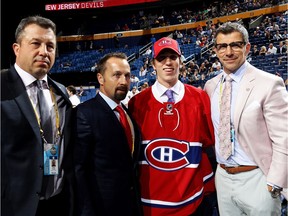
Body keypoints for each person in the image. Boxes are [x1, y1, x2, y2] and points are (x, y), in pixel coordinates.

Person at [204, 21, 288, 216]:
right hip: (223, 177)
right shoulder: (211, 86)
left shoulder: (269, 83)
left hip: (258, 178)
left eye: (235, 45)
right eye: (222, 46)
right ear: (216, 50)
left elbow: (284, 138)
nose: (229, 52)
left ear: (247, 47)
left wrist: (275, 182)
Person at [128, 37, 216, 216]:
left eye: (172, 57)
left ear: (180, 61)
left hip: (193, 201)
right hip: (150, 201)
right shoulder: (137, 102)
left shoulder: (200, 97)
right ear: (153, 64)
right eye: (162, 58)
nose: (168, 62)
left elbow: (209, 145)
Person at [1, 15, 75, 216]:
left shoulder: (60, 92)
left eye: (50, 46)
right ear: (17, 49)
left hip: (57, 202)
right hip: (14, 207)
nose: (44, 52)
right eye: (36, 43)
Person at [74, 52, 143, 216]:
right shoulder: (84, 114)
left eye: (127, 76)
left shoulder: (126, 112)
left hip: (131, 206)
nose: (123, 81)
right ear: (100, 78)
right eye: (116, 75)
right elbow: (78, 172)